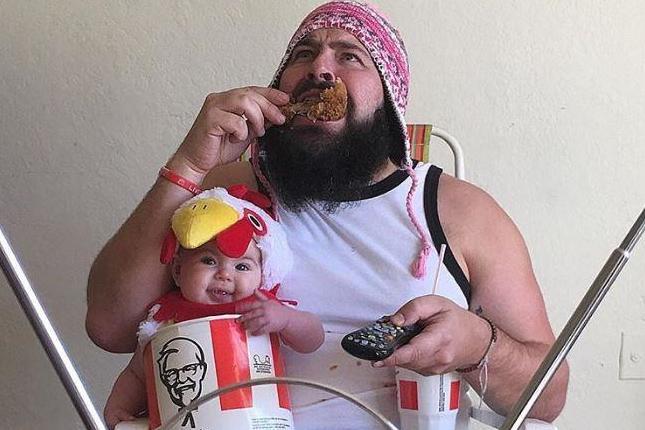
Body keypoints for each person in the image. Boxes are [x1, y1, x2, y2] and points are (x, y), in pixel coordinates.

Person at [87, 1, 569, 428]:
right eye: (302, 54)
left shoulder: (458, 209)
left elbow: (548, 398)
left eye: (349, 55)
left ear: (389, 101)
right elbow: (110, 328)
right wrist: (189, 165)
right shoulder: (228, 196)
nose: (320, 68)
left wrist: (479, 346)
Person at [102, 186, 324, 429]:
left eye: (242, 267)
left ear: (263, 276)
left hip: (259, 419)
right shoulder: (166, 317)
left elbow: (313, 339)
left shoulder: (261, 309)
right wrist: (119, 405)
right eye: (208, 261)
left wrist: (288, 320)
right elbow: (137, 372)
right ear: (177, 271)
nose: (224, 274)